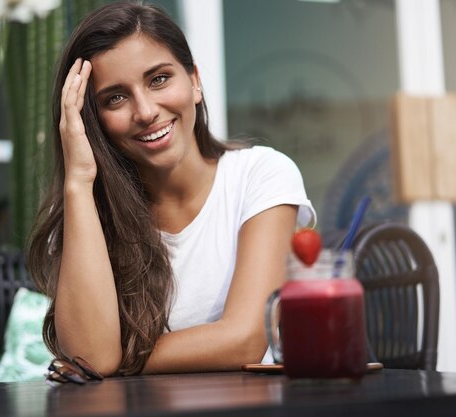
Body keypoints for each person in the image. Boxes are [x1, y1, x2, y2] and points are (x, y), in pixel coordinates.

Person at [27, 1, 315, 377]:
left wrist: (114, 358)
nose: (145, 111)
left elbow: (246, 338)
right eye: (115, 98)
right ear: (92, 121)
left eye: (159, 79)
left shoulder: (261, 175)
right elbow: (89, 357)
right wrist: (79, 182)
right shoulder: (85, 213)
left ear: (194, 81)